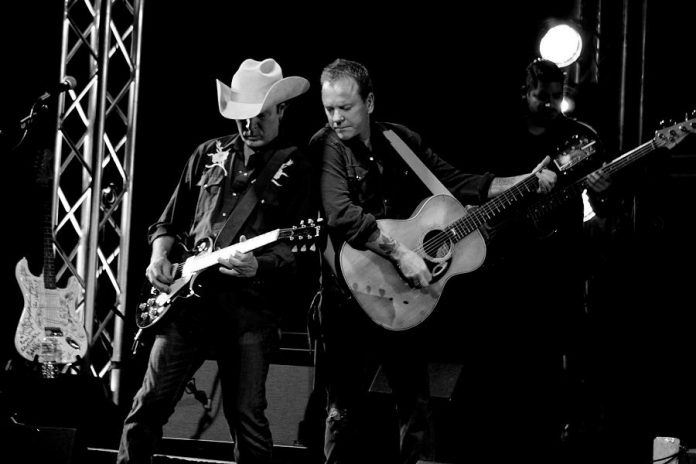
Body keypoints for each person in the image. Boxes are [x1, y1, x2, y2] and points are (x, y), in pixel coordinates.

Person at [308, 58, 558, 464]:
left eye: (345, 108)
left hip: (404, 294)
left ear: (369, 103)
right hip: (347, 300)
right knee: (343, 412)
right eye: (329, 108)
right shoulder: (325, 147)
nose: (335, 118)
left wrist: (521, 182)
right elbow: (341, 213)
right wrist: (401, 252)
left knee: (415, 406)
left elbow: (455, 183)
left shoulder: (399, 139)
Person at [117, 57, 313, 464]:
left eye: (258, 116)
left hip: (249, 310)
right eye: (241, 117)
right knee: (148, 405)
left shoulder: (298, 167)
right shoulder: (208, 152)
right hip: (185, 304)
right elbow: (167, 221)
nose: (249, 127)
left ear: (281, 110)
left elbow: (300, 249)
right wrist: (158, 257)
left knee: (247, 419)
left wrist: (260, 265)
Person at [471, 57, 613, 463]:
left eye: (557, 95)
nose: (550, 103)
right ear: (525, 93)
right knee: (502, 373)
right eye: (541, 96)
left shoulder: (580, 139)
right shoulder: (502, 135)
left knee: (550, 375)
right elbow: (478, 189)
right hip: (503, 266)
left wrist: (602, 191)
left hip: (557, 269)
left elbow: (602, 205)